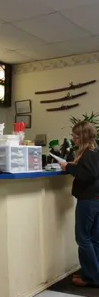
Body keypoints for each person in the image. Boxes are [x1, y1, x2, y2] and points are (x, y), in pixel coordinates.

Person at [59, 121, 99, 286]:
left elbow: (89, 174)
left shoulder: (88, 154)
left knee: (83, 238)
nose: (73, 139)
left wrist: (68, 167)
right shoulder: (95, 150)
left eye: (75, 136)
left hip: (88, 200)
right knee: (95, 239)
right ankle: (94, 274)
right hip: (96, 199)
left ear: (81, 137)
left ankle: (92, 277)